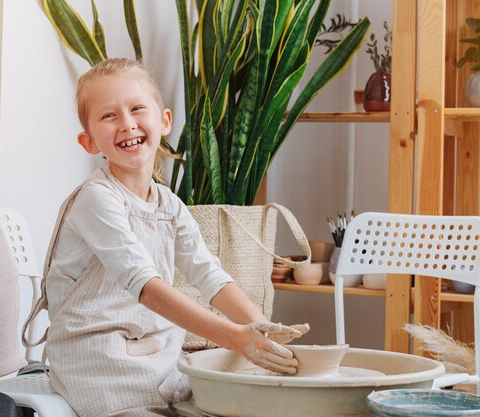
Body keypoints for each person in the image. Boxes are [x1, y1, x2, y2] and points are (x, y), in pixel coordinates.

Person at [24, 57, 309, 417]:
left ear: (164, 121)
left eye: (137, 108)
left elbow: (211, 277)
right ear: (89, 142)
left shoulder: (170, 205)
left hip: (159, 356)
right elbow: (145, 285)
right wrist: (235, 338)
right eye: (109, 116)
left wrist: (261, 331)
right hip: (96, 362)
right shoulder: (96, 199)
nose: (127, 124)